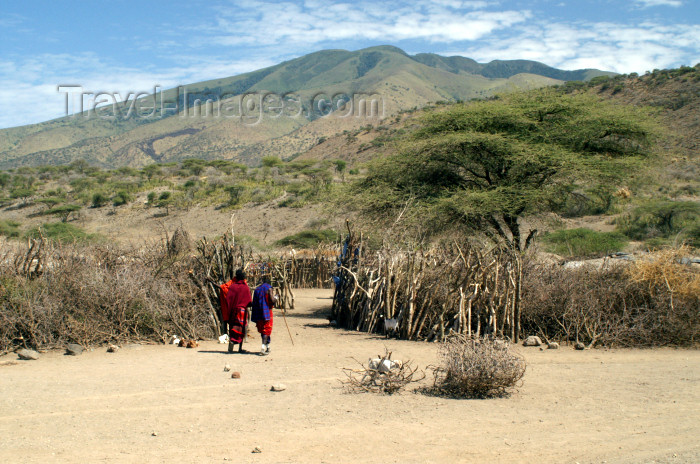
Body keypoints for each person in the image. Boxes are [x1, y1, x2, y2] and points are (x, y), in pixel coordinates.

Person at [225, 269, 252, 353]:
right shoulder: (245, 287)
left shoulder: (232, 287)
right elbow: (249, 301)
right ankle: (239, 348)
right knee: (242, 329)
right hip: (242, 311)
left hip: (234, 311)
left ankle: (231, 345)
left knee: (233, 327)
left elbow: (228, 299)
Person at [251, 276, 277, 355]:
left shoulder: (257, 289)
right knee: (267, 330)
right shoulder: (269, 288)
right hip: (267, 312)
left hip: (258, 313)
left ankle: (268, 347)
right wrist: (276, 297)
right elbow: (272, 300)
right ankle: (262, 348)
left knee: (263, 330)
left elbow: (254, 302)